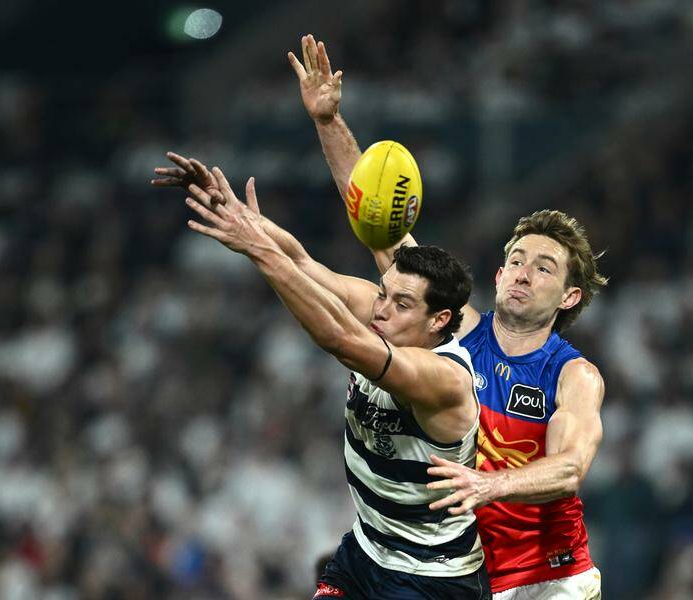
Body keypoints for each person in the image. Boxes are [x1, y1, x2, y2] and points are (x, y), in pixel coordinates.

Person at [288, 34, 607, 599]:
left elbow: (569, 469)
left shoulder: (572, 376)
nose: (523, 272)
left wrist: (488, 486)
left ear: (569, 297)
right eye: (515, 260)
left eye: (543, 267)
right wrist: (328, 121)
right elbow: (376, 217)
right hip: (461, 574)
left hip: (548, 581)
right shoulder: (456, 331)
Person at [152, 158, 491, 599]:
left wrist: (258, 249)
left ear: (439, 320)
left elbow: (340, 338)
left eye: (402, 304)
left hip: (430, 577)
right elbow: (301, 262)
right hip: (367, 551)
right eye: (384, 294)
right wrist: (243, 219)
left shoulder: (443, 378)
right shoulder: (383, 315)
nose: (382, 308)